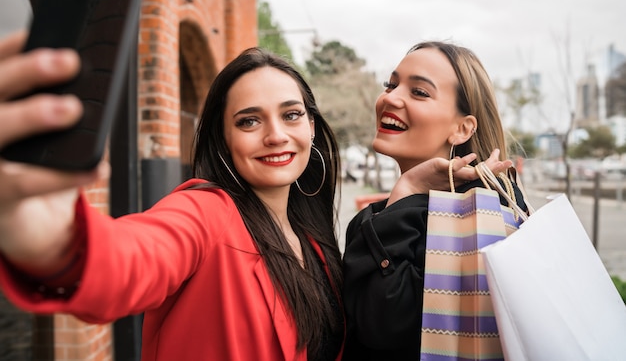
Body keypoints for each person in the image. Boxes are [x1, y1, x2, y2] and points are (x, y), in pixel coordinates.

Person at [0, 31, 345, 361]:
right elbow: (137, 256)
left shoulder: (314, 241)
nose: (276, 135)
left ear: (311, 126)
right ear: (223, 138)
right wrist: (57, 244)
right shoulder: (207, 211)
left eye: (291, 115)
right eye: (249, 122)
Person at [341, 41, 529, 360]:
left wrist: (407, 190)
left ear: (462, 128)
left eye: (419, 92)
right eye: (391, 84)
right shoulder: (377, 218)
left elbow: (382, 326)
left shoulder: (479, 222)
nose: (390, 97)